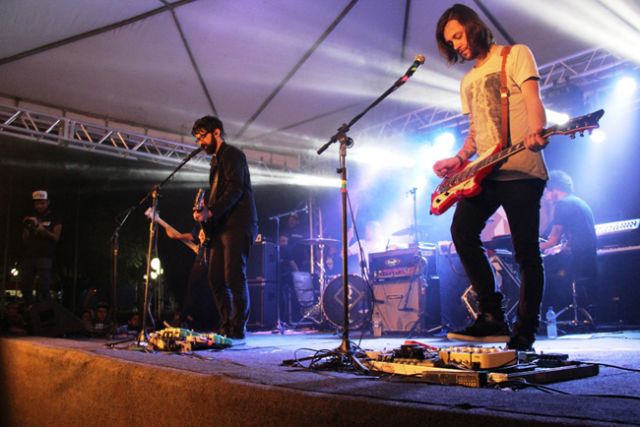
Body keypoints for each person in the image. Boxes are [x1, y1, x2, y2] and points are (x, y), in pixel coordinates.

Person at [433, 4, 549, 351]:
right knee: (461, 231)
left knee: (526, 251)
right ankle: (491, 316)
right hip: (486, 172)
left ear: (473, 26)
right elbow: (476, 132)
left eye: (457, 35)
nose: (456, 45)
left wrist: (538, 129)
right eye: (449, 42)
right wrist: (458, 158)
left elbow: (532, 99)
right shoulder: (468, 80)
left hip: (521, 169)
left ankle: (525, 330)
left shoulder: (515, 55)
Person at [192, 116, 258, 341]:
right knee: (215, 278)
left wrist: (210, 211)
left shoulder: (232, 155)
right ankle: (226, 324)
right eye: (197, 138)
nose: (200, 142)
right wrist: (204, 218)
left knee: (233, 276)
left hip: (239, 223)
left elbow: (235, 189)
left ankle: (239, 327)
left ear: (216, 132)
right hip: (220, 227)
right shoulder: (215, 162)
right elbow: (218, 195)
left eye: (202, 136)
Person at [540, 170, 597, 310]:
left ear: (554, 189)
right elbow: (576, 236)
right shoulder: (578, 202)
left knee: (539, 272)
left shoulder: (562, 204)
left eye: (546, 191)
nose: (545, 196)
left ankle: (549, 314)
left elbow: (553, 239)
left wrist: (530, 246)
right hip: (588, 256)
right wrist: (559, 247)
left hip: (578, 258)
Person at [164, 221, 218, 331]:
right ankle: (185, 319)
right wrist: (177, 236)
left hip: (215, 255)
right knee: (193, 289)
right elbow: (194, 236)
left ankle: (220, 323)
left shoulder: (215, 215)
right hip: (202, 257)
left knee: (213, 290)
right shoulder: (201, 222)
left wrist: (177, 236)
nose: (195, 210)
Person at [20, 190, 62, 305]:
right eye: (37, 203)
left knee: (43, 287)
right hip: (29, 256)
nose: (39, 205)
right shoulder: (31, 217)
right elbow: (24, 239)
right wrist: (27, 227)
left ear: (47, 202)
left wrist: (43, 230)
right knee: (24, 286)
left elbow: (56, 237)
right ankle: (32, 307)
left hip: (45, 256)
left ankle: (47, 308)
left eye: (42, 202)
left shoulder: (54, 216)